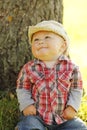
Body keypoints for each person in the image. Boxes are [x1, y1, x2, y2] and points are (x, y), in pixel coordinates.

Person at [15, 20, 87, 130]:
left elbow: (76, 89)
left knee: (79, 126)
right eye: (36, 40)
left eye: (47, 37)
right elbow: (22, 88)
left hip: (63, 118)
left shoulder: (72, 68)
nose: (40, 42)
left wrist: (72, 107)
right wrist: (26, 105)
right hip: (37, 116)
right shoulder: (29, 68)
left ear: (62, 46)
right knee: (28, 124)